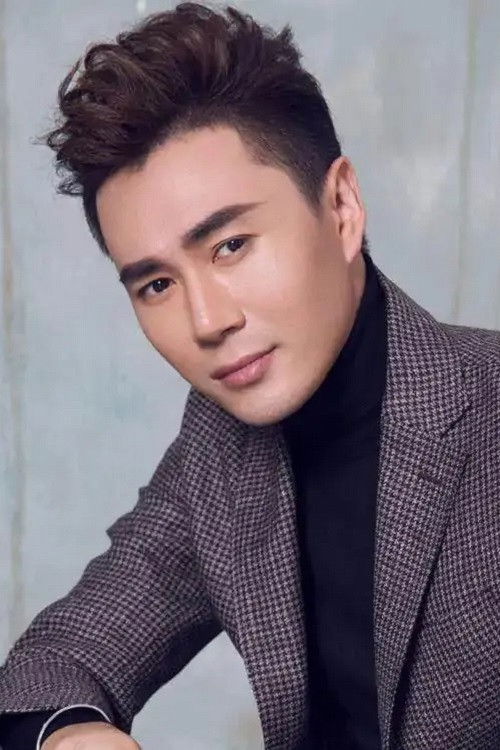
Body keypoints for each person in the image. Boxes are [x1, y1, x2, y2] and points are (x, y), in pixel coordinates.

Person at [0, 2, 499, 749]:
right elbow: (58, 660)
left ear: (342, 206)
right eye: (156, 284)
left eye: (230, 246)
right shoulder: (219, 447)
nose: (207, 320)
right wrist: (71, 735)